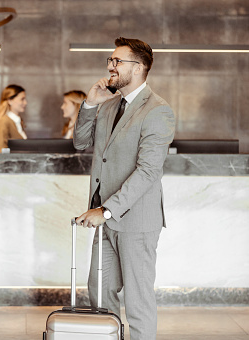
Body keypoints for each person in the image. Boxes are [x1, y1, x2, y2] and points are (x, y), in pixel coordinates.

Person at [73, 37, 176, 340]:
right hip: (105, 220)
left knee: (137, 300)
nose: (109, 66)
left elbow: (147, 172)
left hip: (135, 221)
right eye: (110, 60)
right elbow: (80, 142)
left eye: (117, 61)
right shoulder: (107, 105)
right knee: (101, 293)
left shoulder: (158, 110)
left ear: (140, 67)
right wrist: (90, 103)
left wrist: (105, 211)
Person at [0, 84, 28, 152]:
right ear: (10, 101)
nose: (25, 103)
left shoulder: (17, 122)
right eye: (22, 99)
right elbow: (0, 152)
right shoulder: (3, 122)